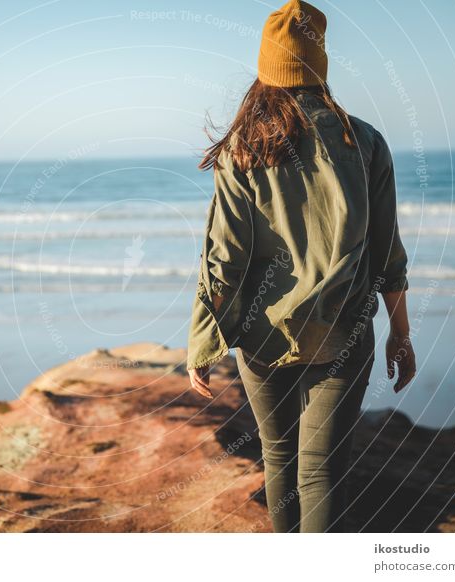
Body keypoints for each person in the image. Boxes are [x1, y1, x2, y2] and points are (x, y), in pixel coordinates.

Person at [185, 0, 416, 533]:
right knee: (321, 472)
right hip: (345, 331)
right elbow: (387, 255)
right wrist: (400, 334)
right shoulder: (365, 142)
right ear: (321, 64)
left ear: (266, 69)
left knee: (280, 460)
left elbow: (225, 258)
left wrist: (202, 340)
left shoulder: (242, 147)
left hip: (263, 338)